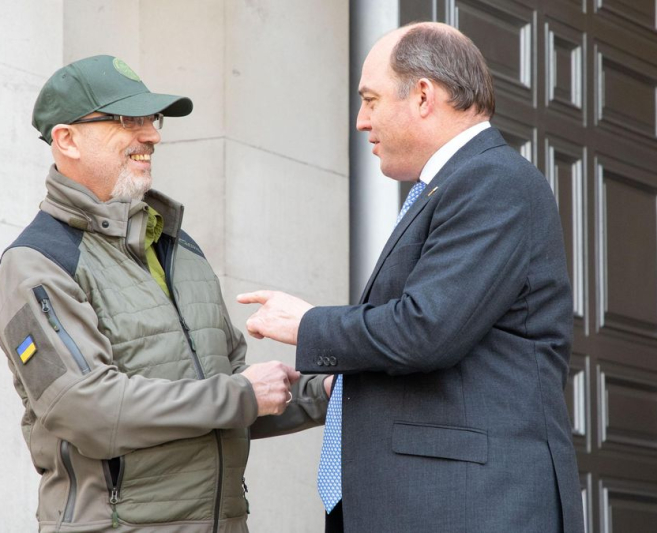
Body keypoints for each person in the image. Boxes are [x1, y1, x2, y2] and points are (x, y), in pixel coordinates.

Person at [237, 22, 585, 533]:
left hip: (471, 507)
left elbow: (426, 330)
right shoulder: (452, 186)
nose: (360, 120)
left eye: (370, 100)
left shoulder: (494, 181)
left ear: (424, 95)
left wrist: (309, 323)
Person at [0, 55, 330, 533]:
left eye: (152, 119)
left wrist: (323, 393)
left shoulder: (177, 247)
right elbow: (87, 409)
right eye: (128, 120)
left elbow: (229, 391)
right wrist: (241, 393)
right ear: (66, 140)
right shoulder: (37, 263)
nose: (152, 135)